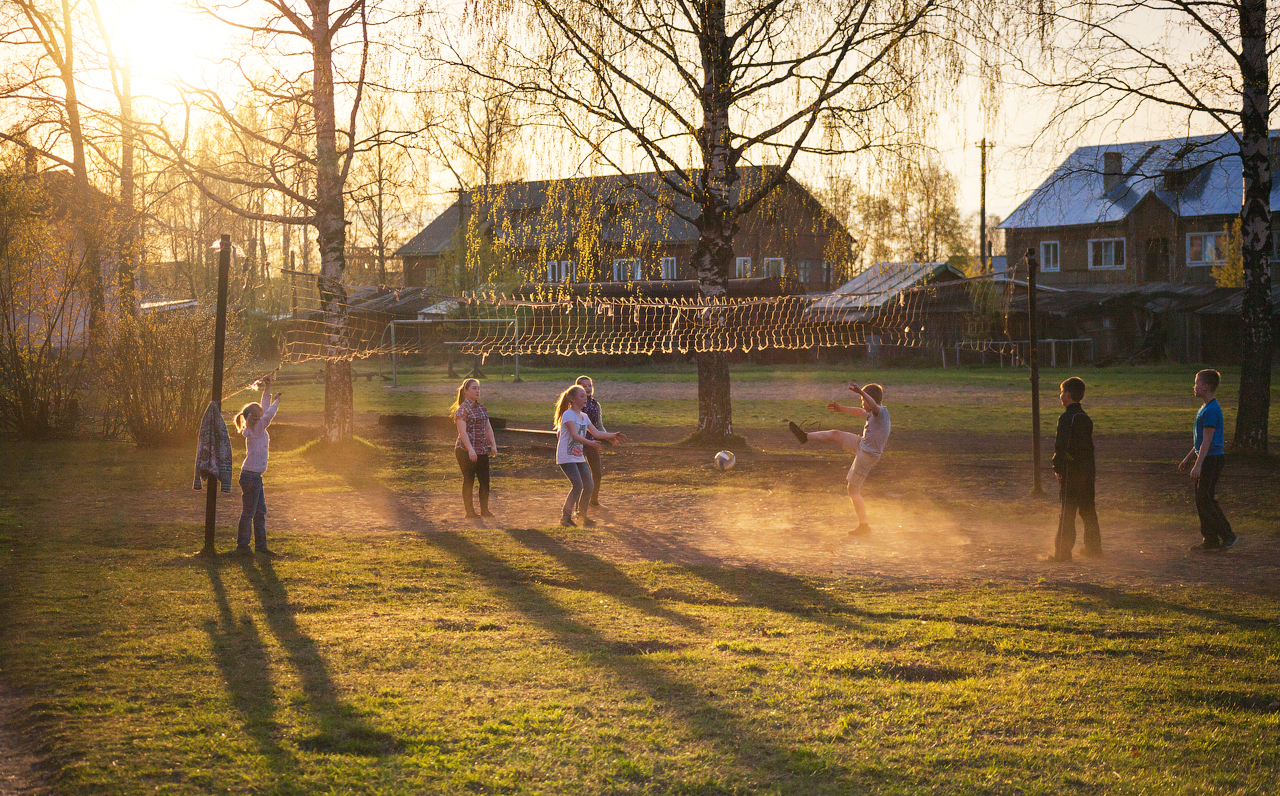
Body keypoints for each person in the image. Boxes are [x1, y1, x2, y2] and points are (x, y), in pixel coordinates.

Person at [788, 381, 889, 535]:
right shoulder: (872, 412)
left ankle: (864, 526)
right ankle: (804, 437)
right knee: (835, 433)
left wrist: (862, 393)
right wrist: (841, 409)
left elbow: (872, 404)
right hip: (862, 445)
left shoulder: (880, 412)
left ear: (870, 399)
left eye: (863, 400)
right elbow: (859, 411)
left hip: (868, 455)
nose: (862, 403)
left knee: (853, 490)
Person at [1178, 369, 1237, 550]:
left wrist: (1198, 464)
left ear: (1205, 386)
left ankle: (1228, 535)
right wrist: (1189, 458)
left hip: (1211, 459)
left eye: (1196, 383)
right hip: (1205, 458)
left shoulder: (1211, 410)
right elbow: (1201, 440)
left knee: (1206, 498)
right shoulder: (1205, 408)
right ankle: (1210, 540)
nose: (1194, 387)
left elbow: (1208, 441)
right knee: (1201, 499)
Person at [554, 384, 626, 528]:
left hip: (578, 456)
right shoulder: (568, 414)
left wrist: (613, 435)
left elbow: (597, 433)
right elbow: (574, 435)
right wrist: (590, 443)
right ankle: (565, 518)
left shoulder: (584, 416)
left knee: (589, 485)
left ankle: (582, 517)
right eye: (581, 396)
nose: (585, 398)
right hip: (566, 456)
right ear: (573, 399)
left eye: (585, 396)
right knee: (578, 485)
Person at [1048, 376, 1101, 562]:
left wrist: (1058, 467)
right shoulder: (1085, 418)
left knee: (1067, 512)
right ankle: (1094, 548)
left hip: (1072, 471)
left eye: (1062, 392)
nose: (1060, 395)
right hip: (1087, 471)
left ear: (1069, 395)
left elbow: (1061, 446)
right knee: (1088, 510)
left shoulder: (1066, 418)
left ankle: (1062, 553)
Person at [234, 376, 282, 556]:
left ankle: (260, 547)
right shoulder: (258, 428)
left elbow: (264, 407)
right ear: (256, 416)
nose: (263, 412)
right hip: (251, 477)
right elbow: (269, 412)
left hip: (254, 476)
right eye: (260, 411)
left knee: (259, 512)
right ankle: (243, 546)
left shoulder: (256, 427)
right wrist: (276, 400)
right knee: (249, 513)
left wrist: (268, 388)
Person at [450, 378, 497, 519]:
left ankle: (484, 510)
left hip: (481, 449)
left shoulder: (482, 408)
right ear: (466, 391)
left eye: (478, 388)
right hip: (464, 450)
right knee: (469, 479)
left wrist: (493, 444)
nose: (477, 391)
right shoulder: (462, 410)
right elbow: (462, 432)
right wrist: (470, 450)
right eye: (474, 388)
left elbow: (487, 427)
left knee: (485, 480)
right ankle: (470, 511)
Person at [576, 375, 611, 508]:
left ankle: (594, 501)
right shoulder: (576, 405)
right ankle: (579, 504)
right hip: (578, 444)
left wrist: (608, 436)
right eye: (584, 386)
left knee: (597, 473)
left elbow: (598, 426)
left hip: (592, 444)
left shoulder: (596, 405)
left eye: (589, 385)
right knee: (581, 477)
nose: (588, 388)